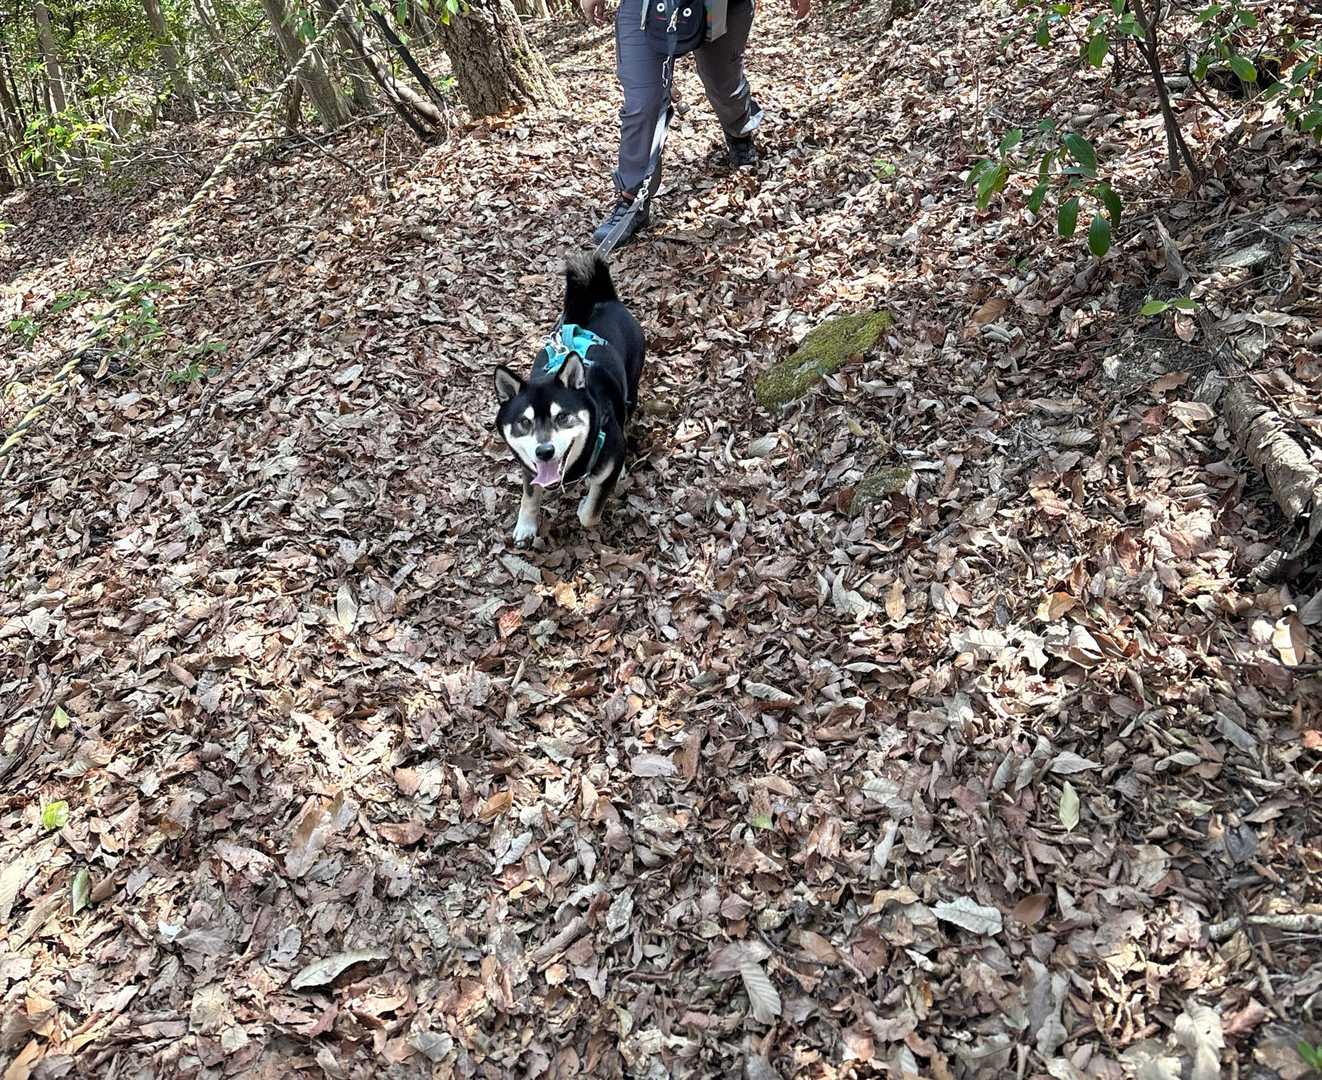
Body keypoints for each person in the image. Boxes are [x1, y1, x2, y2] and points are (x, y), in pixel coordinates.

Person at [580, 0, 811, 247]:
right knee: (644, 102)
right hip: (645, 5)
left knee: (724, 84)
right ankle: (633, 198)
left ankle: (738, 130)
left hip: (718, 5)